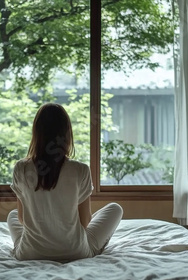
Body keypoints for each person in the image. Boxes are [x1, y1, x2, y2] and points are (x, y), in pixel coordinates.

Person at [7, 103, 123, 261]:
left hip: (29, 254)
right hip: (76, 252)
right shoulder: (80, 169)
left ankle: (27, 246)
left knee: (12, 215)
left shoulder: (21, 168)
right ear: (67, 134)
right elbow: (84, 222)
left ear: (37, 134)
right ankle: (95, 249)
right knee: (115, 209)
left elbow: (22, 219)